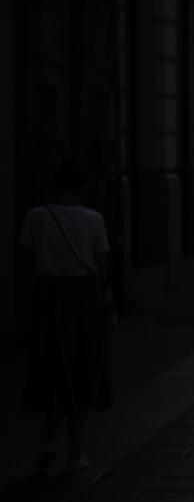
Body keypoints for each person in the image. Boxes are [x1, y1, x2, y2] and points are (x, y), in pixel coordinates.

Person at [19, 163, 114, 474]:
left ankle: (50, 440)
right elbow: (102, 265)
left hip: (48, 296)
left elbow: (27, 262)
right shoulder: (93, 219)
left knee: (50, 365)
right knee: (83, 367)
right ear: (83, 188)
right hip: (84, 299)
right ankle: (76, 451)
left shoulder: (36, 216)